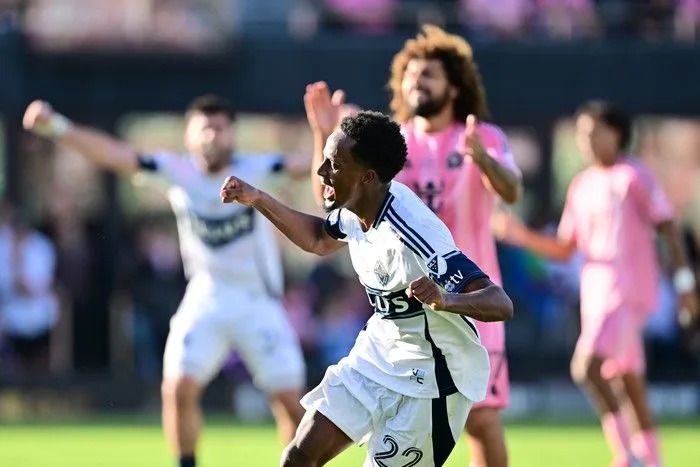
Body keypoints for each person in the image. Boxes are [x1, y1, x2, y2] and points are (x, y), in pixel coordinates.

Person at [22, 95, 306, 467]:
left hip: (258, 300)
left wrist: (332, 130)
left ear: (232, 135)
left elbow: (314, 165)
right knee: (177, 387)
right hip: (206, 295)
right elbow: (114, 155)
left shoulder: (260, 167)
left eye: (219, 127)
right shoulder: (177, 170)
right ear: (188, 136)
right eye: (203, 127)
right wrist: (56, 127)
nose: (211, 135)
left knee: (290, 402)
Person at [220, 110, 513, 466]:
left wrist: (444, 299)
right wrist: (257, 199)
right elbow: (317, 239)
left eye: (334, 164)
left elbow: (500, 303)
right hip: (377, 357)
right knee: (297, 458)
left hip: (433, 381)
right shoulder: (355, 210)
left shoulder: (413, 231)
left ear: (367, 177)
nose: (322, 172)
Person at [304, 25, 522, 467]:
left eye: (429, 76)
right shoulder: (395, 141)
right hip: (409, 305)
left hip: (465, 292)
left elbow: (513, 190)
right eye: (411, 75)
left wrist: (481, 158)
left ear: (454, 87)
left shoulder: (481, 136)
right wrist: (322, 134)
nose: (417, 83)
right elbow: (331, 205)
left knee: (482, 419)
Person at [492, 100, 699, 467]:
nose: (587, 140)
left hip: (628, 291)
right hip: (596, 291)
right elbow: (566, 248)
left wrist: (684, 285)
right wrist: (520, 235)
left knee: (585, 367)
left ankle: (626, 456)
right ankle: (652, 460)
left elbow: (667, 225)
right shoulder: (583, 184)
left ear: (616, 134)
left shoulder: (633, 176)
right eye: (583, 134)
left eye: (594, 132)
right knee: (628, 381)